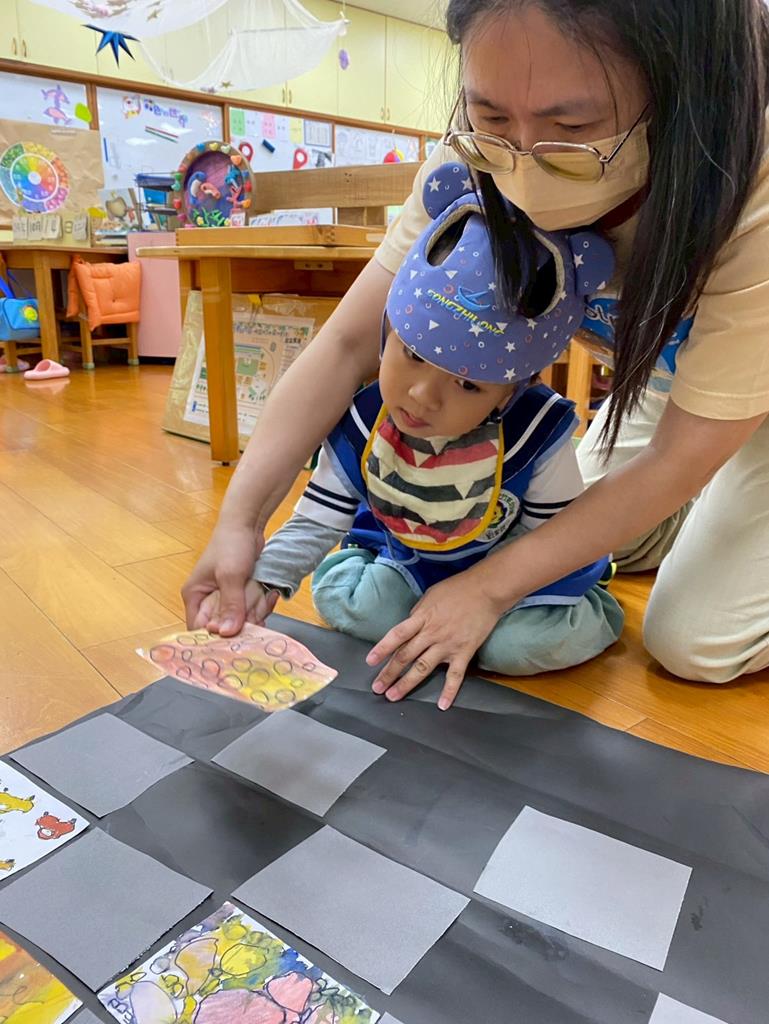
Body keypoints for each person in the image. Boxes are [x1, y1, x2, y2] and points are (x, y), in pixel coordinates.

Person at [184, 0, 769, 707]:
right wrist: (241, 521)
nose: (521, 161)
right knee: (572, 522)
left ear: (685, 97)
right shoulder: (467, 162)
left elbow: (679, 456)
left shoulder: (750, 186)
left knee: (694, 643)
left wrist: (487, 590)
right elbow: (347, 341)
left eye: (572, 131)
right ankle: (705, 509)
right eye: (490, 116)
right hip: (671, 384)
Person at [198, 174, 623, 701]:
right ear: (388, 330)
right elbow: (317, 518)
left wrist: (486, 601)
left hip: (518, 581)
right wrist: (263, 581)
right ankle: (428, 616)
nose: (421, 396)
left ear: (511, 392)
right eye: (413, 354)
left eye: (467, 383)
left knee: (516, 649)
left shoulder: (538, 434)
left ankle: (584, 615)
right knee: (358, 606)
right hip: (413, 564)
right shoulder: (364, 416)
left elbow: (551, 539)